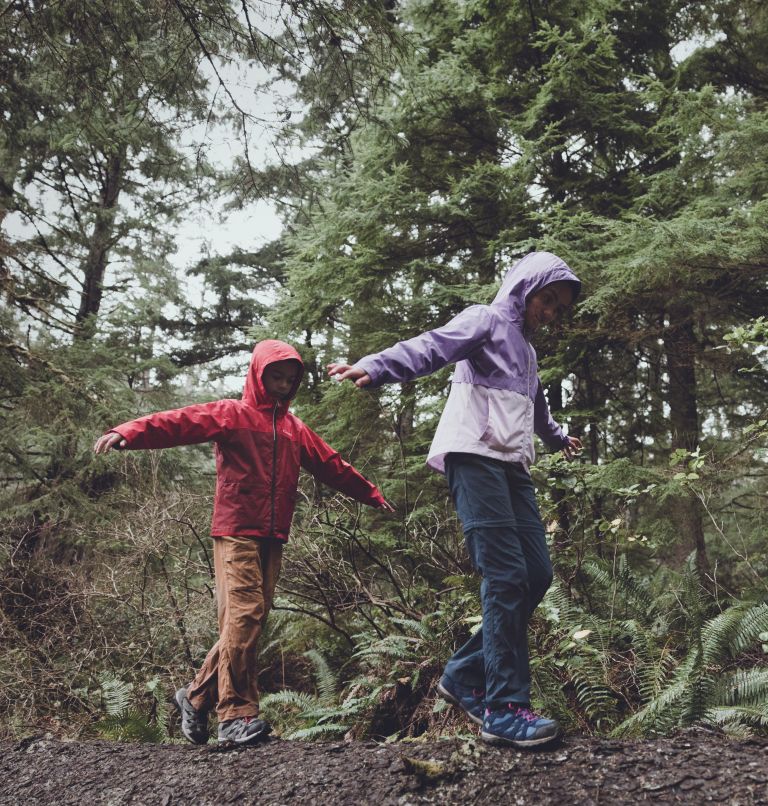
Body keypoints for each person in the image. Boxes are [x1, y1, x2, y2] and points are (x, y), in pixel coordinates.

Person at [328, 251, 582, 749]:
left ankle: (466, 673)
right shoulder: (485, 321)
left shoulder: (528, 353)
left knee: (537, 574)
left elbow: (535, 405)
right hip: (474, 457)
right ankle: (504, 707)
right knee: (506, 576)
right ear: (524, 288)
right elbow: (433, 346)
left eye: (558, 308)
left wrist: (556, 437)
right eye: (546, 300)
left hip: (512, 466)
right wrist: (377, 367)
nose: (549, 312)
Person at [94, 339, 392, 746]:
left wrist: (372, 494)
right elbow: (178, 421)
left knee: (248, 619)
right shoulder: (232, 414)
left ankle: (196, 696)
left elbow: (331, 465)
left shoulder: (294, 428)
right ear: (258, 374)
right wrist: (128, 432)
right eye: (277, 377)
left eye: (291, 379)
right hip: (236, 529)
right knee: (246, 614)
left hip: (274, 534)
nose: (284, 385)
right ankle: (235, 714)